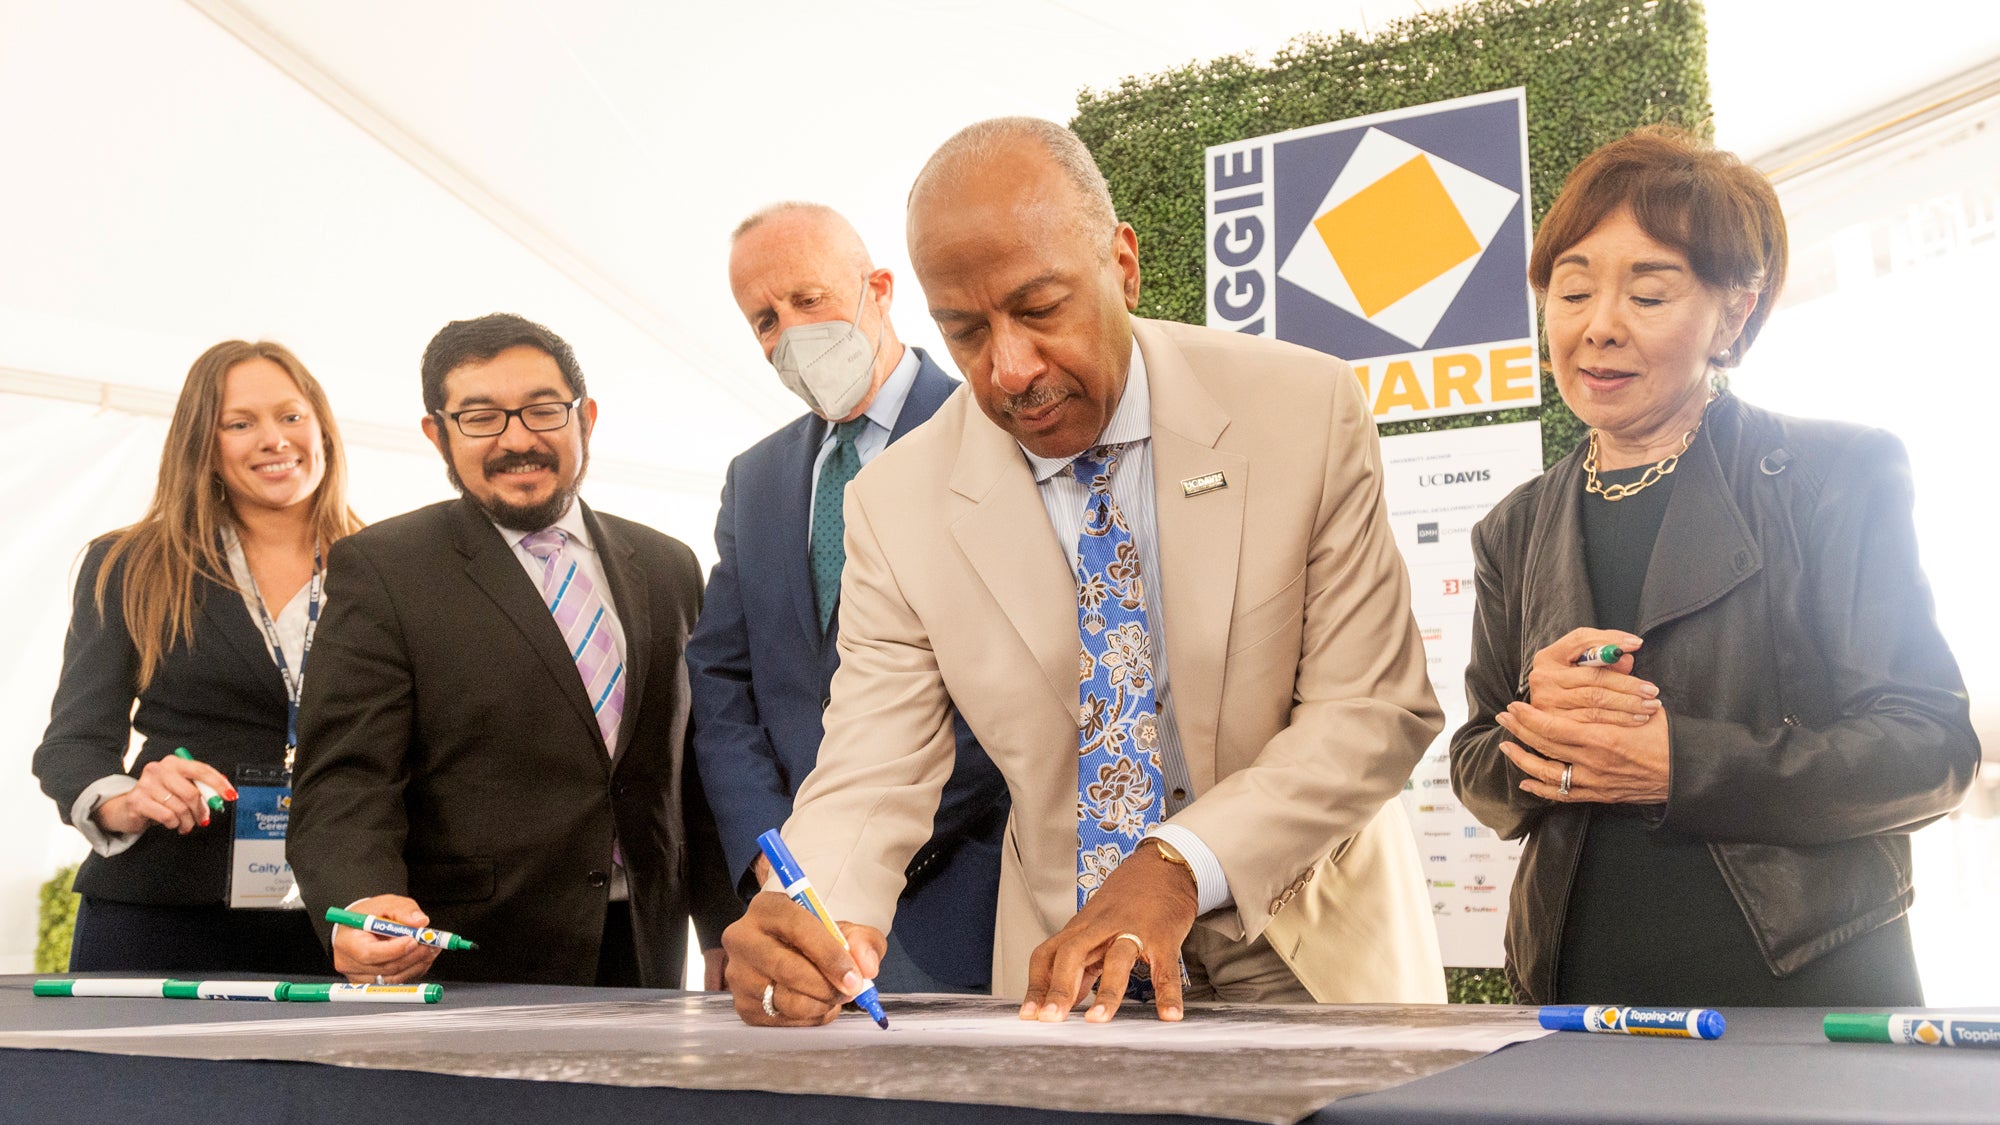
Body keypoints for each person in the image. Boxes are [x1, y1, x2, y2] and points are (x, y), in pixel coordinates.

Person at [722, 117, 1445, 1027]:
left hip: (1311, 956)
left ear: (1124, 264)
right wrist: (815, 911)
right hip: (1064, 983)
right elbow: (874, 760)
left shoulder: (1301, 410)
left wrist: (1181, 862)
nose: (1010, 369)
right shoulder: (896, 502)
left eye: (1038, 308)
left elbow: (1372, 710)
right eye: (965, 332)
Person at [1449, 125, 1981, 1006]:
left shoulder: (1834, 477)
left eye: (1648, 295)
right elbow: (1478, 768)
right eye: (1572, 290)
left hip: (1803, 989)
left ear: (1734, 312)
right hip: (1577, 993)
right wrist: (1535, 729)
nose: (1599, 327)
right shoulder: (1515, 526)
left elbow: (1932, 749)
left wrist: (1680, 765)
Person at [288, 313, 740, 987]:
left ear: (585, 416)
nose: (517, 439)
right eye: (481, 417)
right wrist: (362, 903)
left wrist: (726, 924)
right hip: (469, 959)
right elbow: (347, 777)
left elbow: (697, 767)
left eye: (542, 410)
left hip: (647, 951)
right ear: (436, 433)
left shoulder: (668, 565)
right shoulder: (384, 569)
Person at [687, 202, 1009, 993]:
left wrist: (861, 854)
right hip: (794, 903)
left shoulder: (994, 430)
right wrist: (776, 852)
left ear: (880, 287)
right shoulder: (755, 478)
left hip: (968, 885)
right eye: (764, 319)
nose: (789, 332)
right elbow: (722, 681)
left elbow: (1019, 666)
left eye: (808, 299)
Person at [33, 340, 361, 973]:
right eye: (240, 423)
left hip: (341, 914)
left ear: (321, 426)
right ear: (203, 446)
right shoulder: (132, 565)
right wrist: (124, 800)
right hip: (163, 906)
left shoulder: (389, 571)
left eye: (291, 416)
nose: (273, 438)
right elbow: (71, 745)